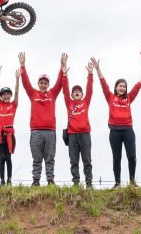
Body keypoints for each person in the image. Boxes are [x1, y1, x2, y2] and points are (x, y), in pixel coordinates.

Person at [93, 56, 141, 187]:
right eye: (120, 86)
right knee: (116, 157)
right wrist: (97, 68)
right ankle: (117, 183)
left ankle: (132, 182)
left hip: (128, 131)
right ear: (116, 87)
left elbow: (139, 85)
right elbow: (103, 83)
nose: (123, 88)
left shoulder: (129, 98)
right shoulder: (110, 97)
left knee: (131, 156)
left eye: (124, 86)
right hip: (114, 132)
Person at [19, 51, 65, 186]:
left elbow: (59, 83)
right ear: (38, 83)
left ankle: (50, 180)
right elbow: (25, 82)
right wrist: (23, 66)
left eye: (45, 83)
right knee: (37, 158)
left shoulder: (53, 93)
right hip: (36, 132)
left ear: (48, 84)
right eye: (41, 82)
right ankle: (36, 180)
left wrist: (62, 67)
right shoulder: (33, 93)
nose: (43, 84)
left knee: (50, 158)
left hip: (50, 131)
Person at [62, 59, 95, 188]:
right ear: (72, 94)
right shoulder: (69, 103)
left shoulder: (85, 102)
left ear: (82, 94)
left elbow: (90, 89)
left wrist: (90, 75)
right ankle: (76, 183)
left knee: (87, 160)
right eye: (74, 91)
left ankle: (89, 183)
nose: (77, 92)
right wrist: (64, 76)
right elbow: (64, 90)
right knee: (74, 161)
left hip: (85, 134)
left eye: (79, 91)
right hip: (72, 135)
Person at [0, 65, 20, 186]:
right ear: (1, 96)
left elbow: (17, 92)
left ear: (10, 95)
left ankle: (9, 180)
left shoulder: (13, 105)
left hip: (9, 134)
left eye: (7, 94)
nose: (5, 96)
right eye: (3, 94)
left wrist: (17, 79)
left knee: (8, 158)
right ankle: (2, 181)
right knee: (1, 158)